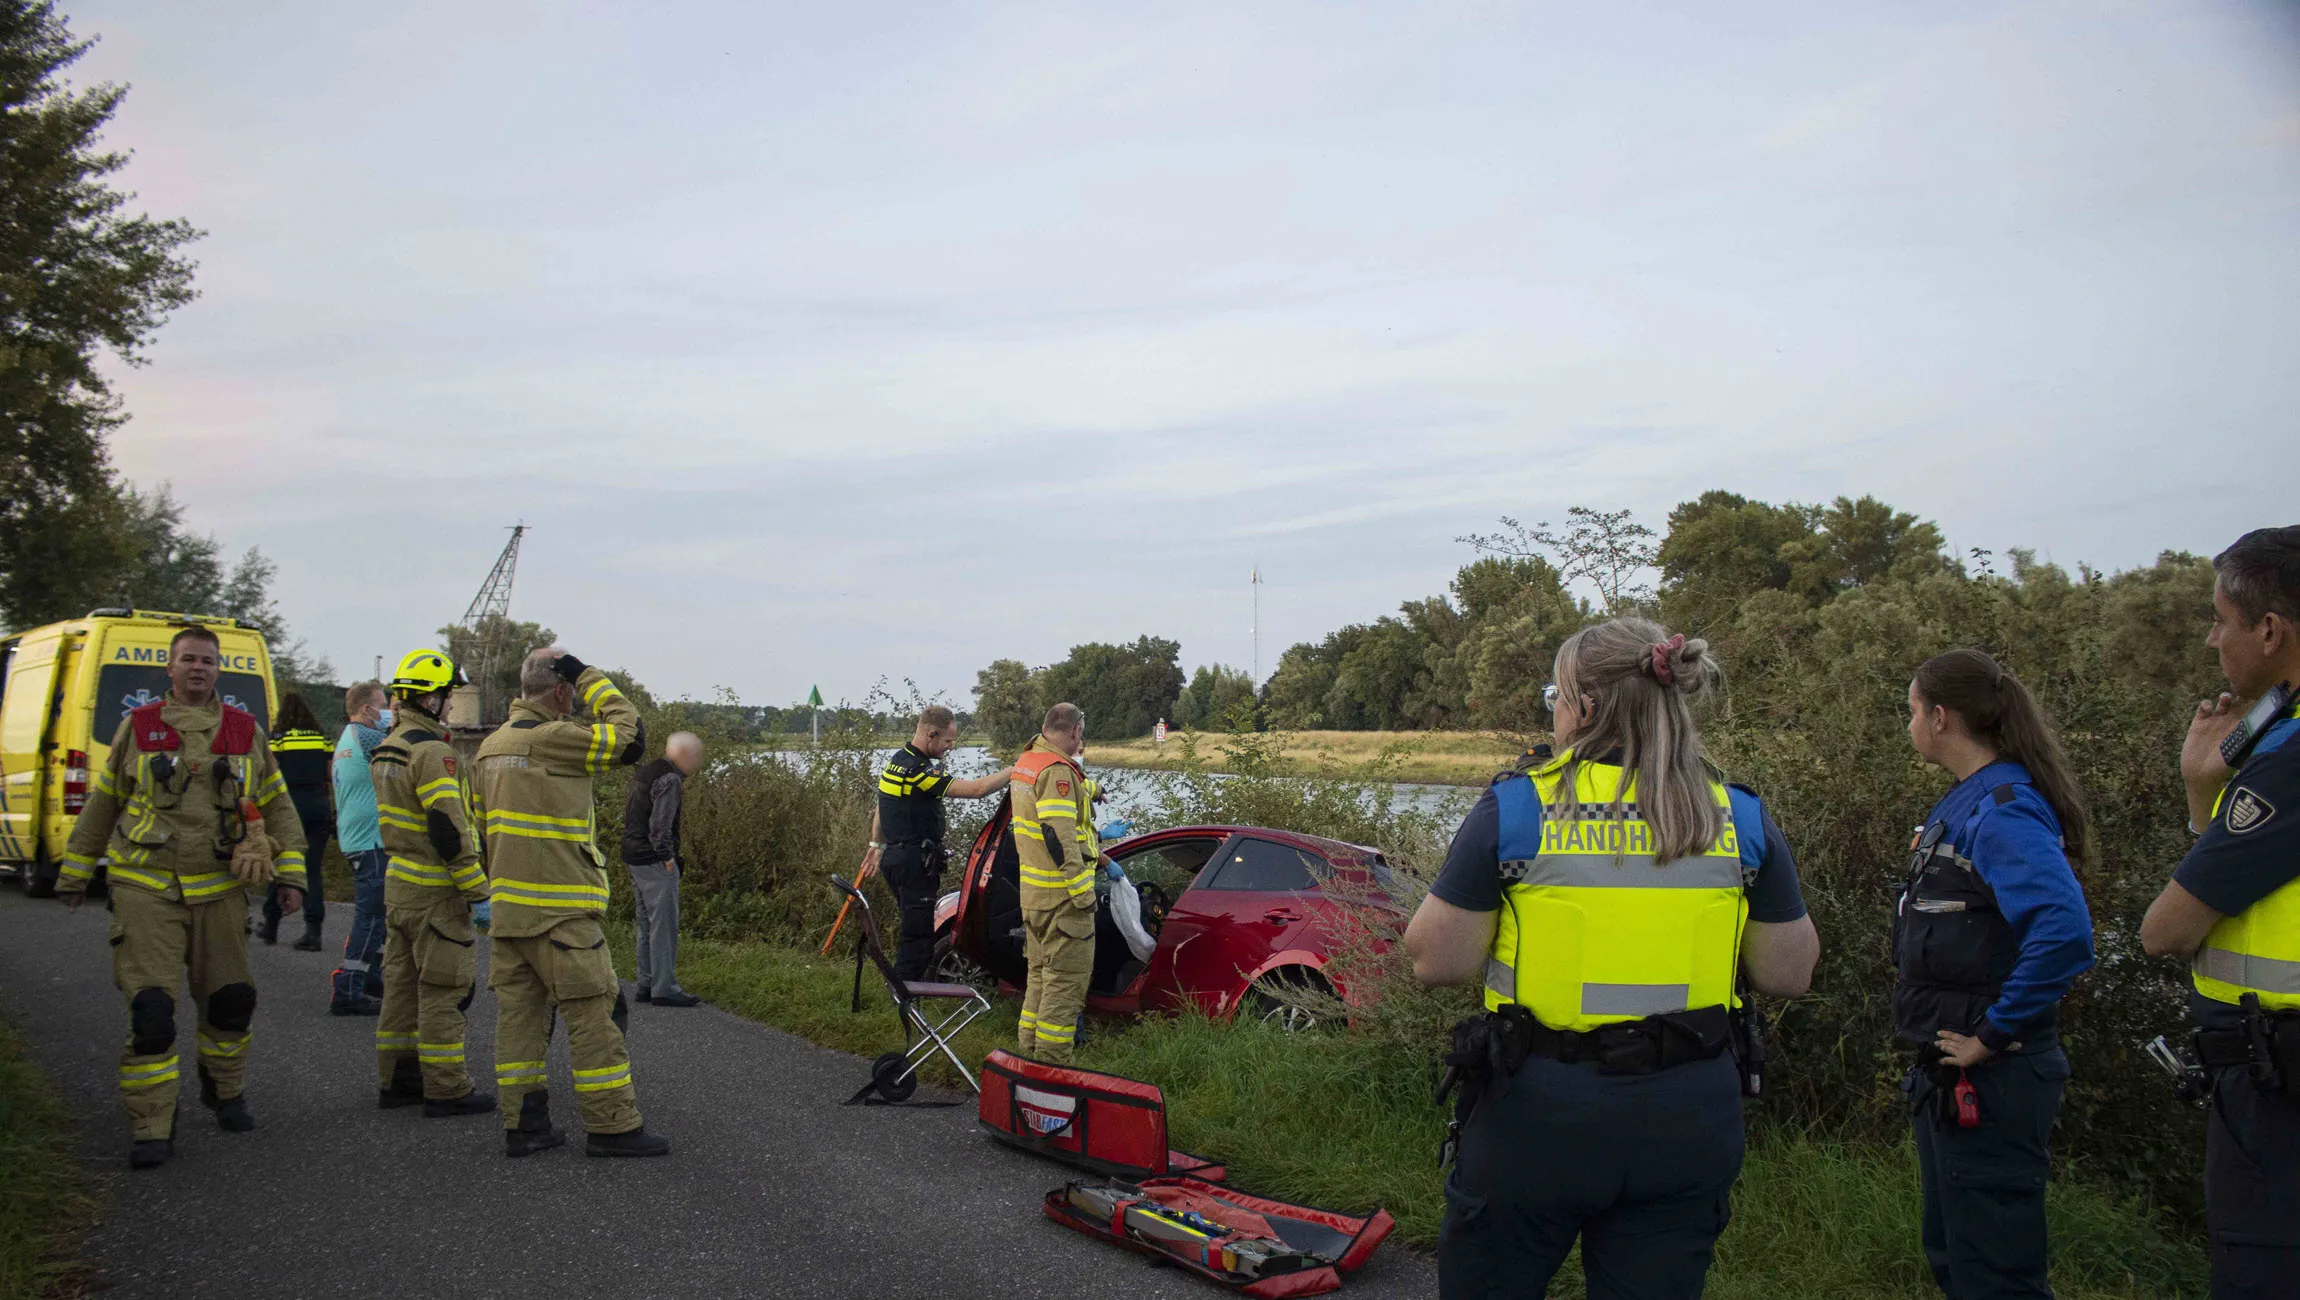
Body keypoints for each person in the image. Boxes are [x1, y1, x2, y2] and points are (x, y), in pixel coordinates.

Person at [1404, 619, 1818, 1299]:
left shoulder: (1520, 807)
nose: (1555, 712)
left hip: (1541, 1114)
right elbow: (1788, 973)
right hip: (1689, 1117)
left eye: (1555, 697)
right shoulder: (1736, 817)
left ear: (1585, 708)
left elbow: (1434, 960)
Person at [55, 625, 309, 1169]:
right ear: (170, 669)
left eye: (208, 661)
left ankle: (225, 1091)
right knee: (151, 1010)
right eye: (189, 660)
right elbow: (103, 804)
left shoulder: (245, 732)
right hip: (146, 884)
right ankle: (152, 1123)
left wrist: (291, 878)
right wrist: (75, 872)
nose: (199, 668)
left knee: (231, 1000)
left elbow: (279, 808)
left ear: (219, 671)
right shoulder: (139, 727)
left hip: (220, 888)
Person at [1898, 649, 2097, 1300]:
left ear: (1941, 716)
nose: (1909, 725)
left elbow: (2064, 931)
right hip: (1950, 1073)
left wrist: (1992, 1032)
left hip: (1995, 1075)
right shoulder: (1968, 802)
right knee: (1959, 1260)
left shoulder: (2003, 808)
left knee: (1996, 1276)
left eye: (1912, 711)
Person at [2141, 525, 2300, 1299]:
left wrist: (2213, 797)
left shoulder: (2289, 763)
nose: (2211, 640)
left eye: (2221, 621)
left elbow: (2165, 930)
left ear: (2270, 631)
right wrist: (2205, 791)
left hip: (2280, 1094)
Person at [473, 647, 667, 1158]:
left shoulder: (490, 747)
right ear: (561, 691)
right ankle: (613, 1126)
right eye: (571, 690)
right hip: (561, 913)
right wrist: (590, 676)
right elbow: (630, 737)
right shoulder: (553, 737)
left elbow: (479, 832)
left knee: (519, 1022)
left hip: (509, 914)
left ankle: (525, 1125)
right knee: (594, 1018)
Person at [368, 649, 493, 1119]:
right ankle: (446, 1088)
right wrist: (478, 892)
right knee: (445, 990)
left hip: (399, 885)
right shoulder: (432, 751)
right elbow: (447, 829)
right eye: (447, 694)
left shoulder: (388, 747)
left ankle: (397, 1081)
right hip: (436, 893)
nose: (450, 703)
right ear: (433, 698)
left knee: (400, 990)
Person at [861, 706, 1013, 981]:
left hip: (895, 859)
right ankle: (905, 998)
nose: (950, 747)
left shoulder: (896, 761)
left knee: (913, 927)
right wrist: (1015, 770)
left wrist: (875, 844)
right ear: (931, 734)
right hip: (912, 863)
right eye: (947, 740)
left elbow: (882, 806)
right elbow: (977, 790)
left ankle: (904, 990)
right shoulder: (918, 771)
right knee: (918, 938)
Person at [1013, 702, 1097, 1063]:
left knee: (1039, 981)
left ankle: (1027, 1058)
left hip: (1033, 898)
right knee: (1064, 989)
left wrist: (1090, 790)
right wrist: (1083, 893)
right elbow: (1057, 835)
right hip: (1063, 901)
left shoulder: (1029, 762)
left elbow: (1053, 802)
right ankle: (1052, 1071)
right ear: (1076, 731)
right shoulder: (1057, 772)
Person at [621, 731, 705, 1007]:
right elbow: (660, 825)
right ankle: (665, 987)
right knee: (663, 925)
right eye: (696, 755)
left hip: (634, 856)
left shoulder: (648, 773)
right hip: (653, 859)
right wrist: (668, 856)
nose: (698, 762)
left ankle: (646, 982)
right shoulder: (669, 779)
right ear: (684, 755)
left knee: (645, 923)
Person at [330, 681, 390, 1015]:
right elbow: (404, 750)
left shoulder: (347, 738)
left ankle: (370, 976)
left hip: (359, 838)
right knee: (370, 917)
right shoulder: (366, 736)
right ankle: (348, 989)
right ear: (366, 709)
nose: (387, 711)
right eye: (383, 705)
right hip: (370, 842)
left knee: (377, 916)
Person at [259, 692, 333, 951]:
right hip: (318, 805)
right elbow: (330, 774)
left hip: (290, 806)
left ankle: (271, 925)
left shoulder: (278, 739)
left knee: (280, 865)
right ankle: (314, 931)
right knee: (312, 870)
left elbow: (270, 775)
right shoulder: (321, 738)